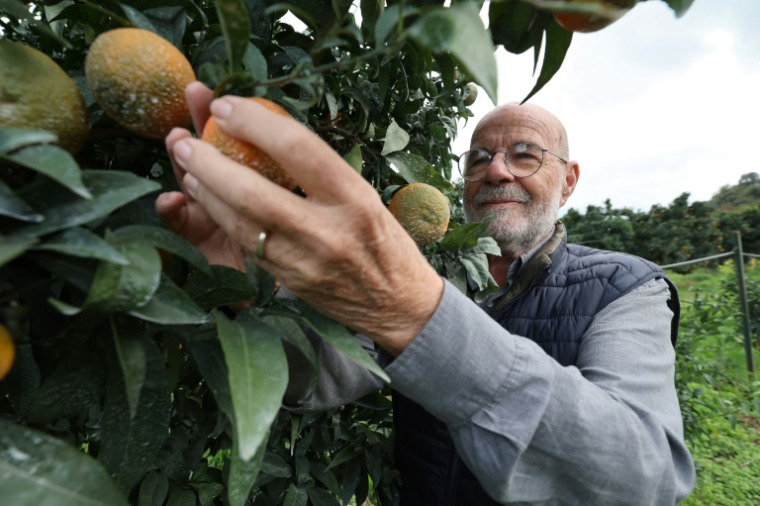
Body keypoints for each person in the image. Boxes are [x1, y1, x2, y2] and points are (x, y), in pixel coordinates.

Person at [156, 82, 696, 505]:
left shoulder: (627, 288)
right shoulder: (431, 275)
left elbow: (642, 478)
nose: (496, 171)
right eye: (478, 158)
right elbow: (320, 375)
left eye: (525, 154)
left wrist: (415, 310)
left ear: (570, 179)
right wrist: (245, 290)